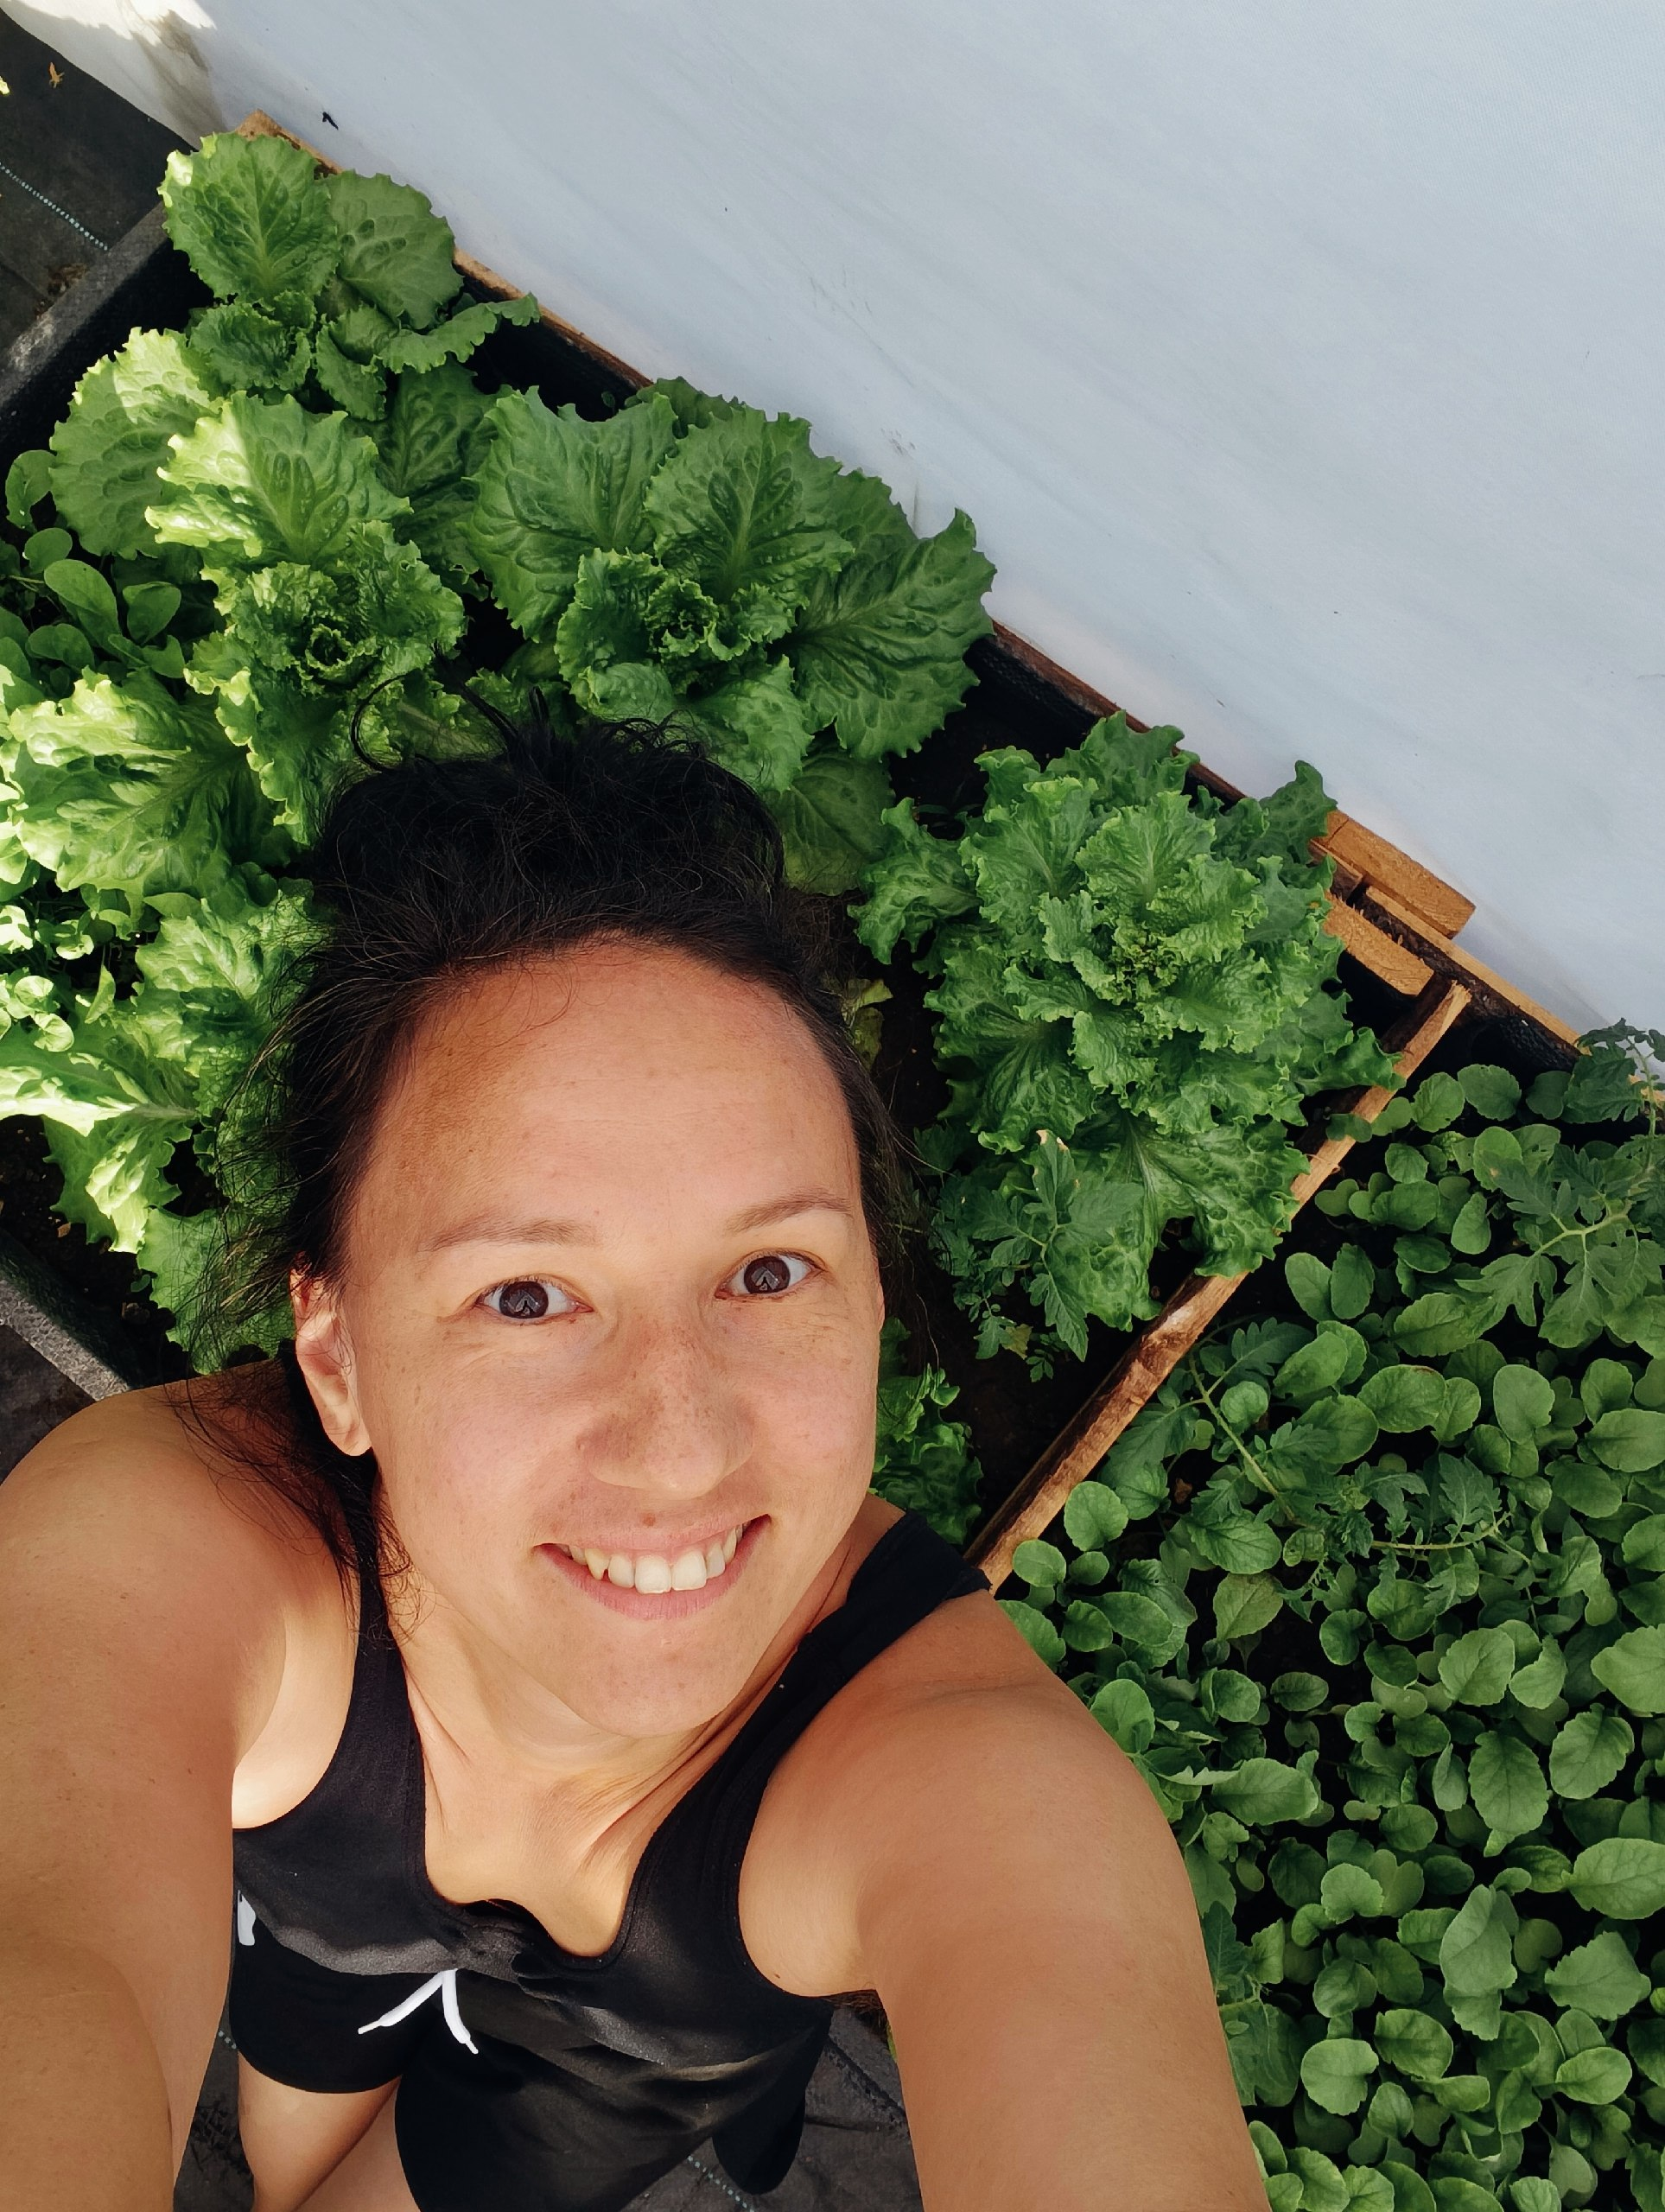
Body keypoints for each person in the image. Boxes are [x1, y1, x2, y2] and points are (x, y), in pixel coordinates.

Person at [0, 715, 1262, 2212]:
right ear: (336, 1358)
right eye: (526, 1295)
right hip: (329, 1931)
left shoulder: (973, 1789)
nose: (679, 1448)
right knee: (297, 2162)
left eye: (769, 1272)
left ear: (871, 1295)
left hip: (628, 2059)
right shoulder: (164, 1545)